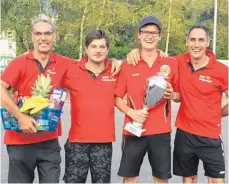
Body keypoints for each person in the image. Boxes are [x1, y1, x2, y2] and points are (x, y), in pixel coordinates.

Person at [0, 14, 121, 183]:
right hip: (19, 140)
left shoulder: (65, 64)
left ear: (54, 36)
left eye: (47, 33)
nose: (43, 38)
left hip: (49, 141)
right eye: (39, 33)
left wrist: (114, 60)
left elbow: (93, 61)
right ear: (32, 36)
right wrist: (20, 117)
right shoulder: (19, 62)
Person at [126, 24, 228, 183]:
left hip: (211, 136)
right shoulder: (178, 62)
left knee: (216, 180)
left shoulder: (221, 69)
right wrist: (134, 51)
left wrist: (219, 113)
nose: (196, 44)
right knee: (189, 179)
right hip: (184, 134)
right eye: (192, 40)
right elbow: (157, 56)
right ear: (187, 42)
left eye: (201, 40)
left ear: (207, 43)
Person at [114, 15, 179, 183]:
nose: (149, 36)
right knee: (130, 178)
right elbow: (117, 98)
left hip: (161, 132)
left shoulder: (171, 63)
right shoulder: (128, 64)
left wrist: (172, 95)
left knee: (161, 179)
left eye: (154, 33)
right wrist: (131, 113)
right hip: (133, 129)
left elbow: (179, 96)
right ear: (139, 35)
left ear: (160, 36)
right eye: (145, 32)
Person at [61, 30, 118, 183]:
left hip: (103, 143)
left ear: (107, 49)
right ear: (86, 49)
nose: (98, 50)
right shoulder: (71, 71)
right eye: (93, 46)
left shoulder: (115, 71)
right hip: (77, 142)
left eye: (102, 47)